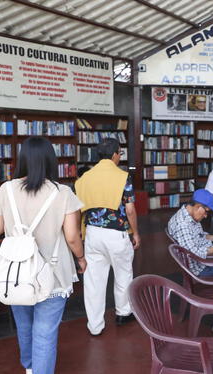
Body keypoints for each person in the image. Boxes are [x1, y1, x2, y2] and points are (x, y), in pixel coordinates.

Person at [0, 137, 86, 374]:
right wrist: (81, 258)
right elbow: (72, 236)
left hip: (17, 272)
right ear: (50, 160)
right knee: (45, 331)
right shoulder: (62, 192)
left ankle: (30, 369)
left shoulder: (7, 189)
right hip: (52, 272)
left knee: (24, 326)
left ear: (23, 159)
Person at [75, 138, 140, 335]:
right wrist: (135, 232)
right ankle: (123, 313)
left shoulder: (83, 179)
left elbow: (78, 211)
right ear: (114, 155)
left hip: (93, 234)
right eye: (120, 153)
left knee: (94, 280)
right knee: (123, 273)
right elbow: (129, 209)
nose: (120, 157)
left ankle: (95, 326)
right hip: (117, 234)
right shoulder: (123, 177)